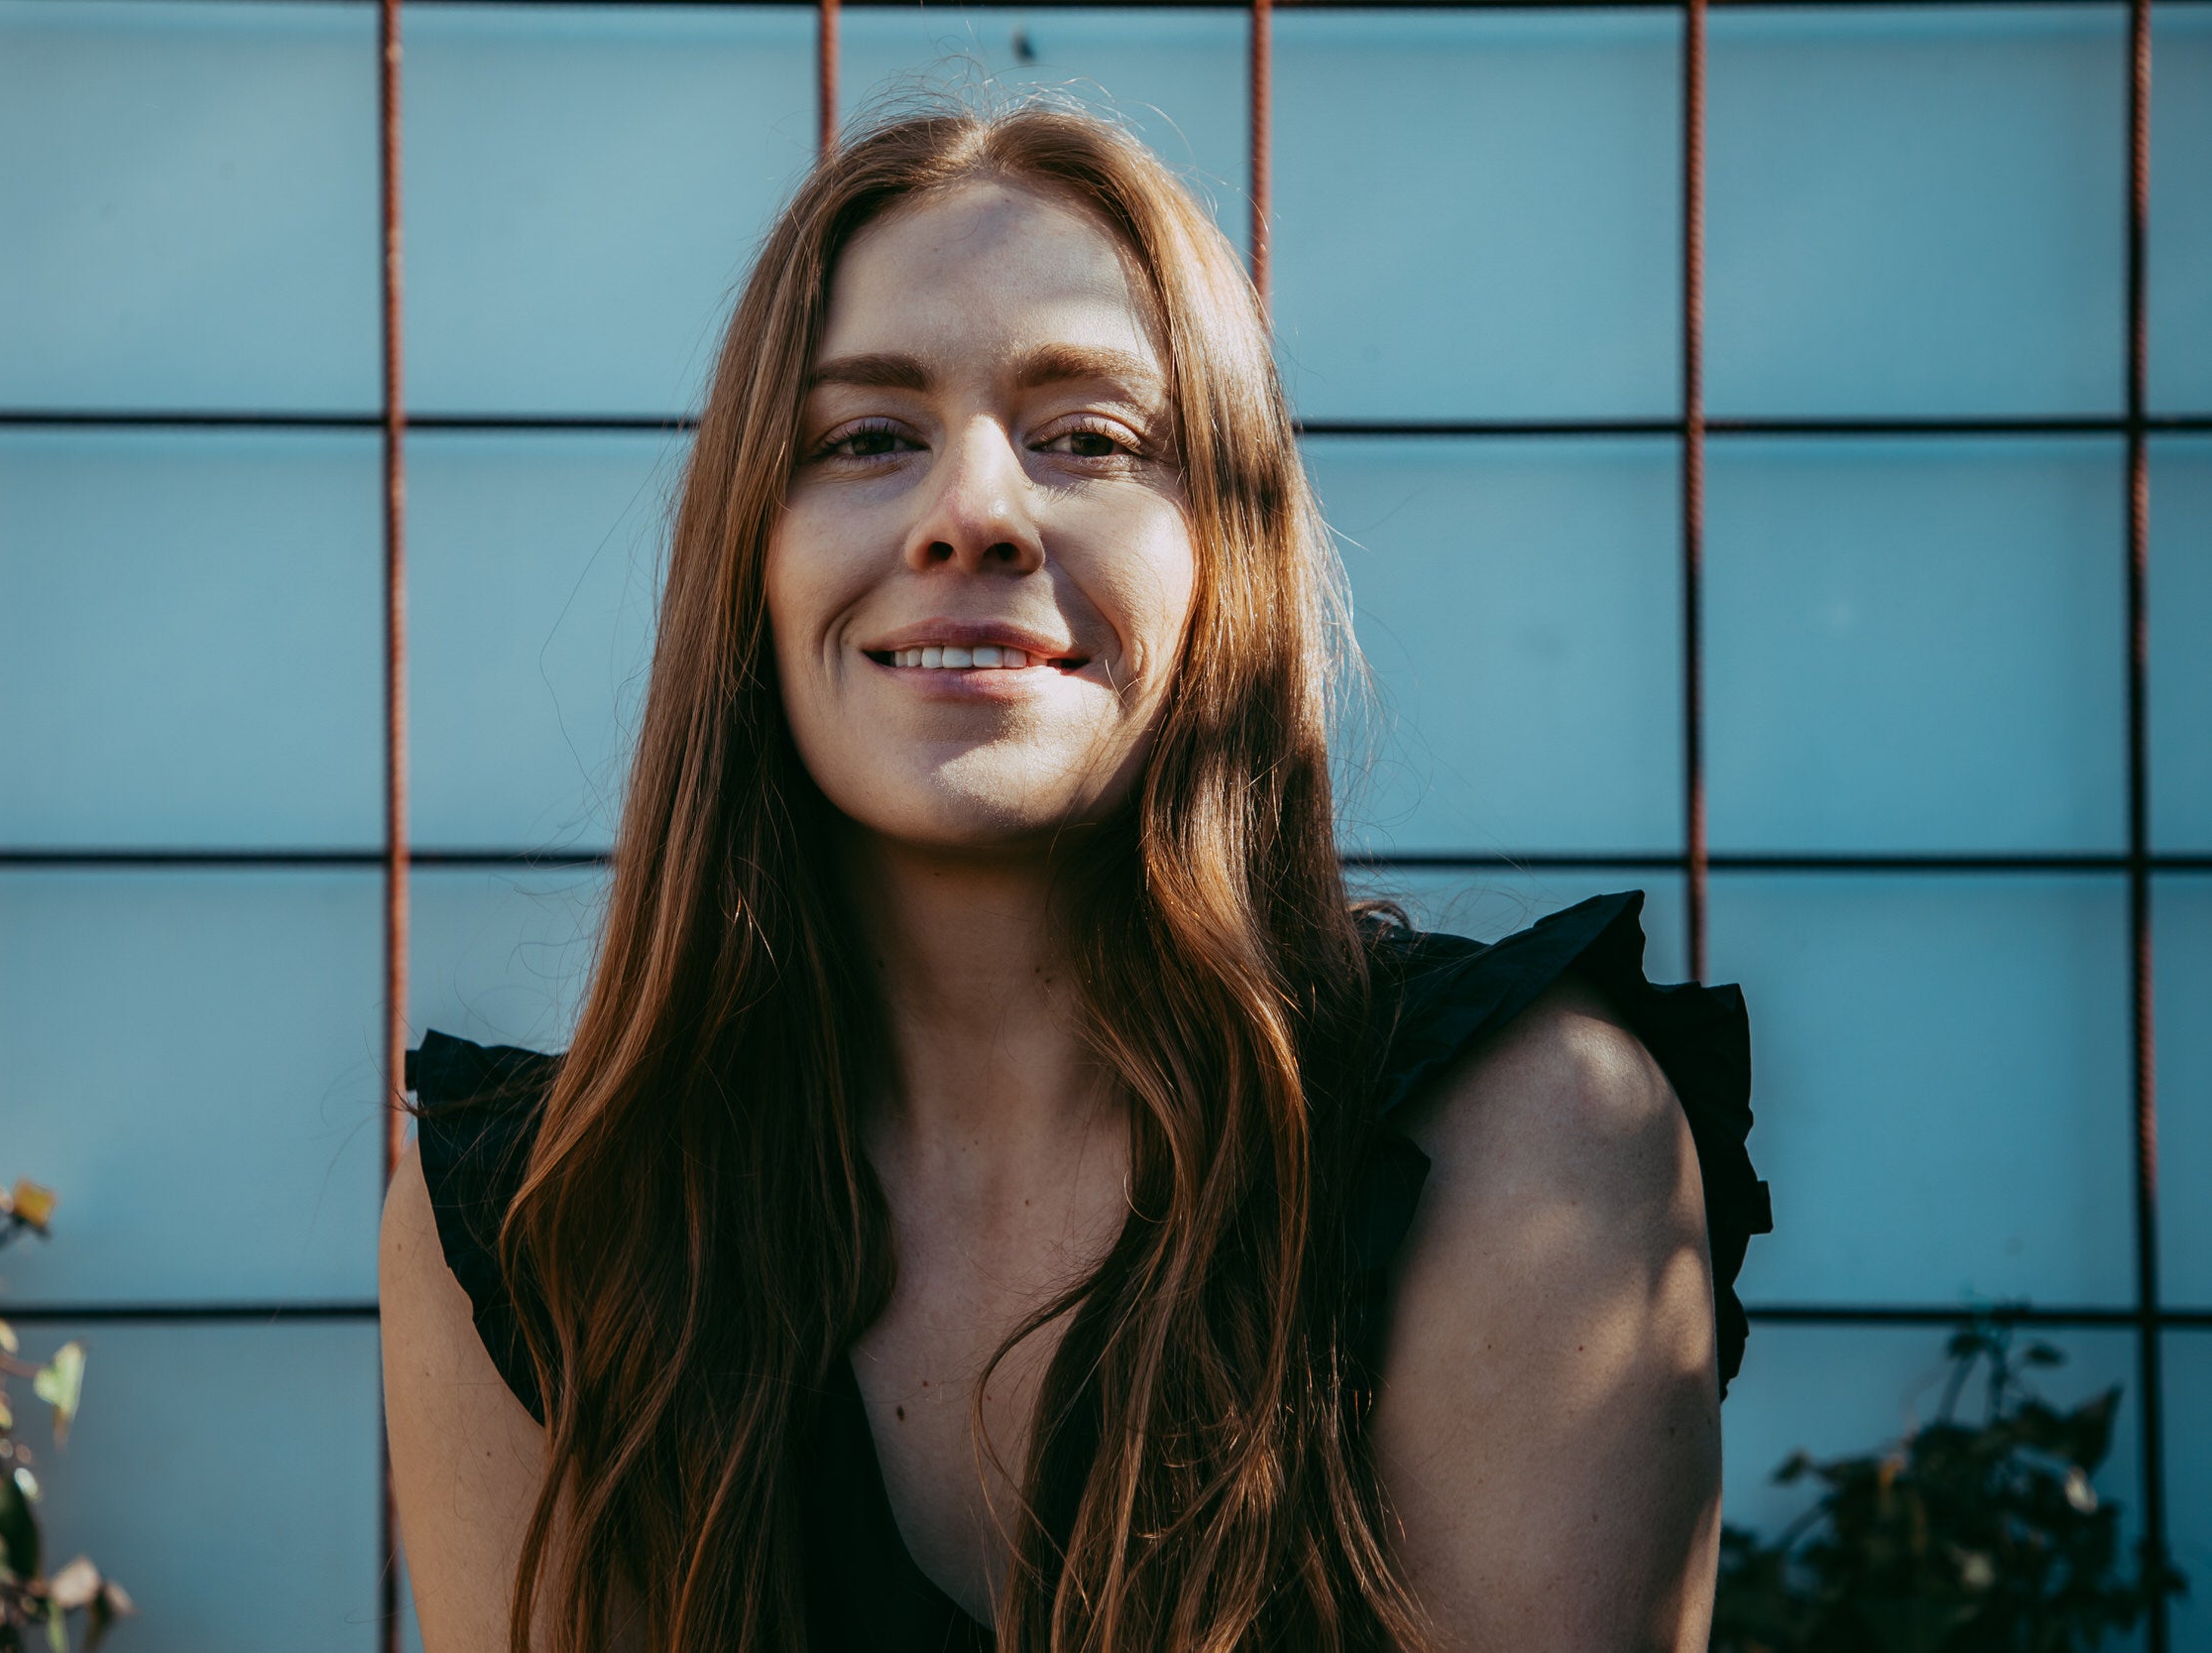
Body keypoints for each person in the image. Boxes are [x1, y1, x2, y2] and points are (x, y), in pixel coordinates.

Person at [379, 96, 1770, 1653]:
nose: (974, 514)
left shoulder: (1532, 1149)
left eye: (1089, 440)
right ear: (748, 563)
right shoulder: (537, 1230)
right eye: (868, 438)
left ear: (1227, 552)